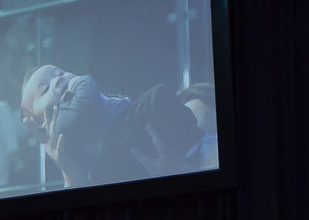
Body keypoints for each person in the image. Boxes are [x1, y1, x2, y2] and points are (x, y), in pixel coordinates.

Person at [20, 65, 204, 187]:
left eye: (59, 73)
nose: (57, 80)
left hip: (126, 138)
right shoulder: (62, 121)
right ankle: (196, 147)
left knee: (163, 107)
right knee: (158, 96)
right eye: (45, 90)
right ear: (38, 122)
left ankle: (196, 146)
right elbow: (86, 93)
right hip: (114, 148)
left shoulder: (83, 102)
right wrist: (78, 81)